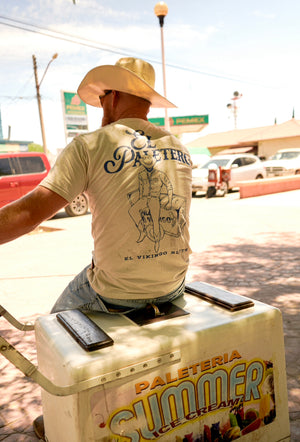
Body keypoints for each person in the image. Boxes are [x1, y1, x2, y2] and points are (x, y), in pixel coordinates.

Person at [0, 57, 192, 439]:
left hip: (115, 291)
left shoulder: (89, 144)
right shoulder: (178, 146)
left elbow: (29, 213)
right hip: (174, 283)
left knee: (54, 326)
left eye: (102, 98)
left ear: (112, 97)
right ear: (147, 104)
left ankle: (60, 416)